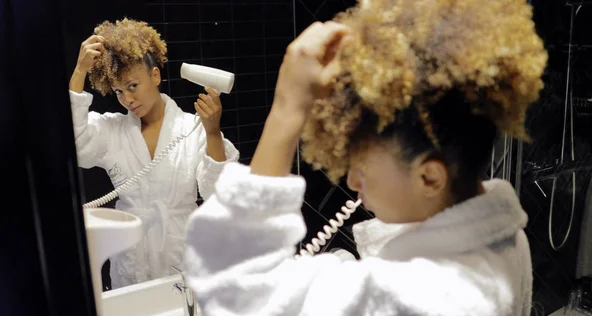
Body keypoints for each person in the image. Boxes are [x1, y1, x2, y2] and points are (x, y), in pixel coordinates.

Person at [183, 0, 549, 315]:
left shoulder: (425, 295)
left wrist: (288, 109)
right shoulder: (503, 237)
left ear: (430, 178)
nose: (353, 182)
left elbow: (232, 290)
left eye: (360, 166)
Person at [69, 18, 239, 289]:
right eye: (118, 91)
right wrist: (79, 71)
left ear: (155, 76)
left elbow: (218, 192)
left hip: (181, 252)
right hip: (131, 258)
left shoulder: (190, 127)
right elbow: (74, 145)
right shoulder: (113, 130)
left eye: (133, 86)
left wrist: (212, 132)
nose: (127, 99)